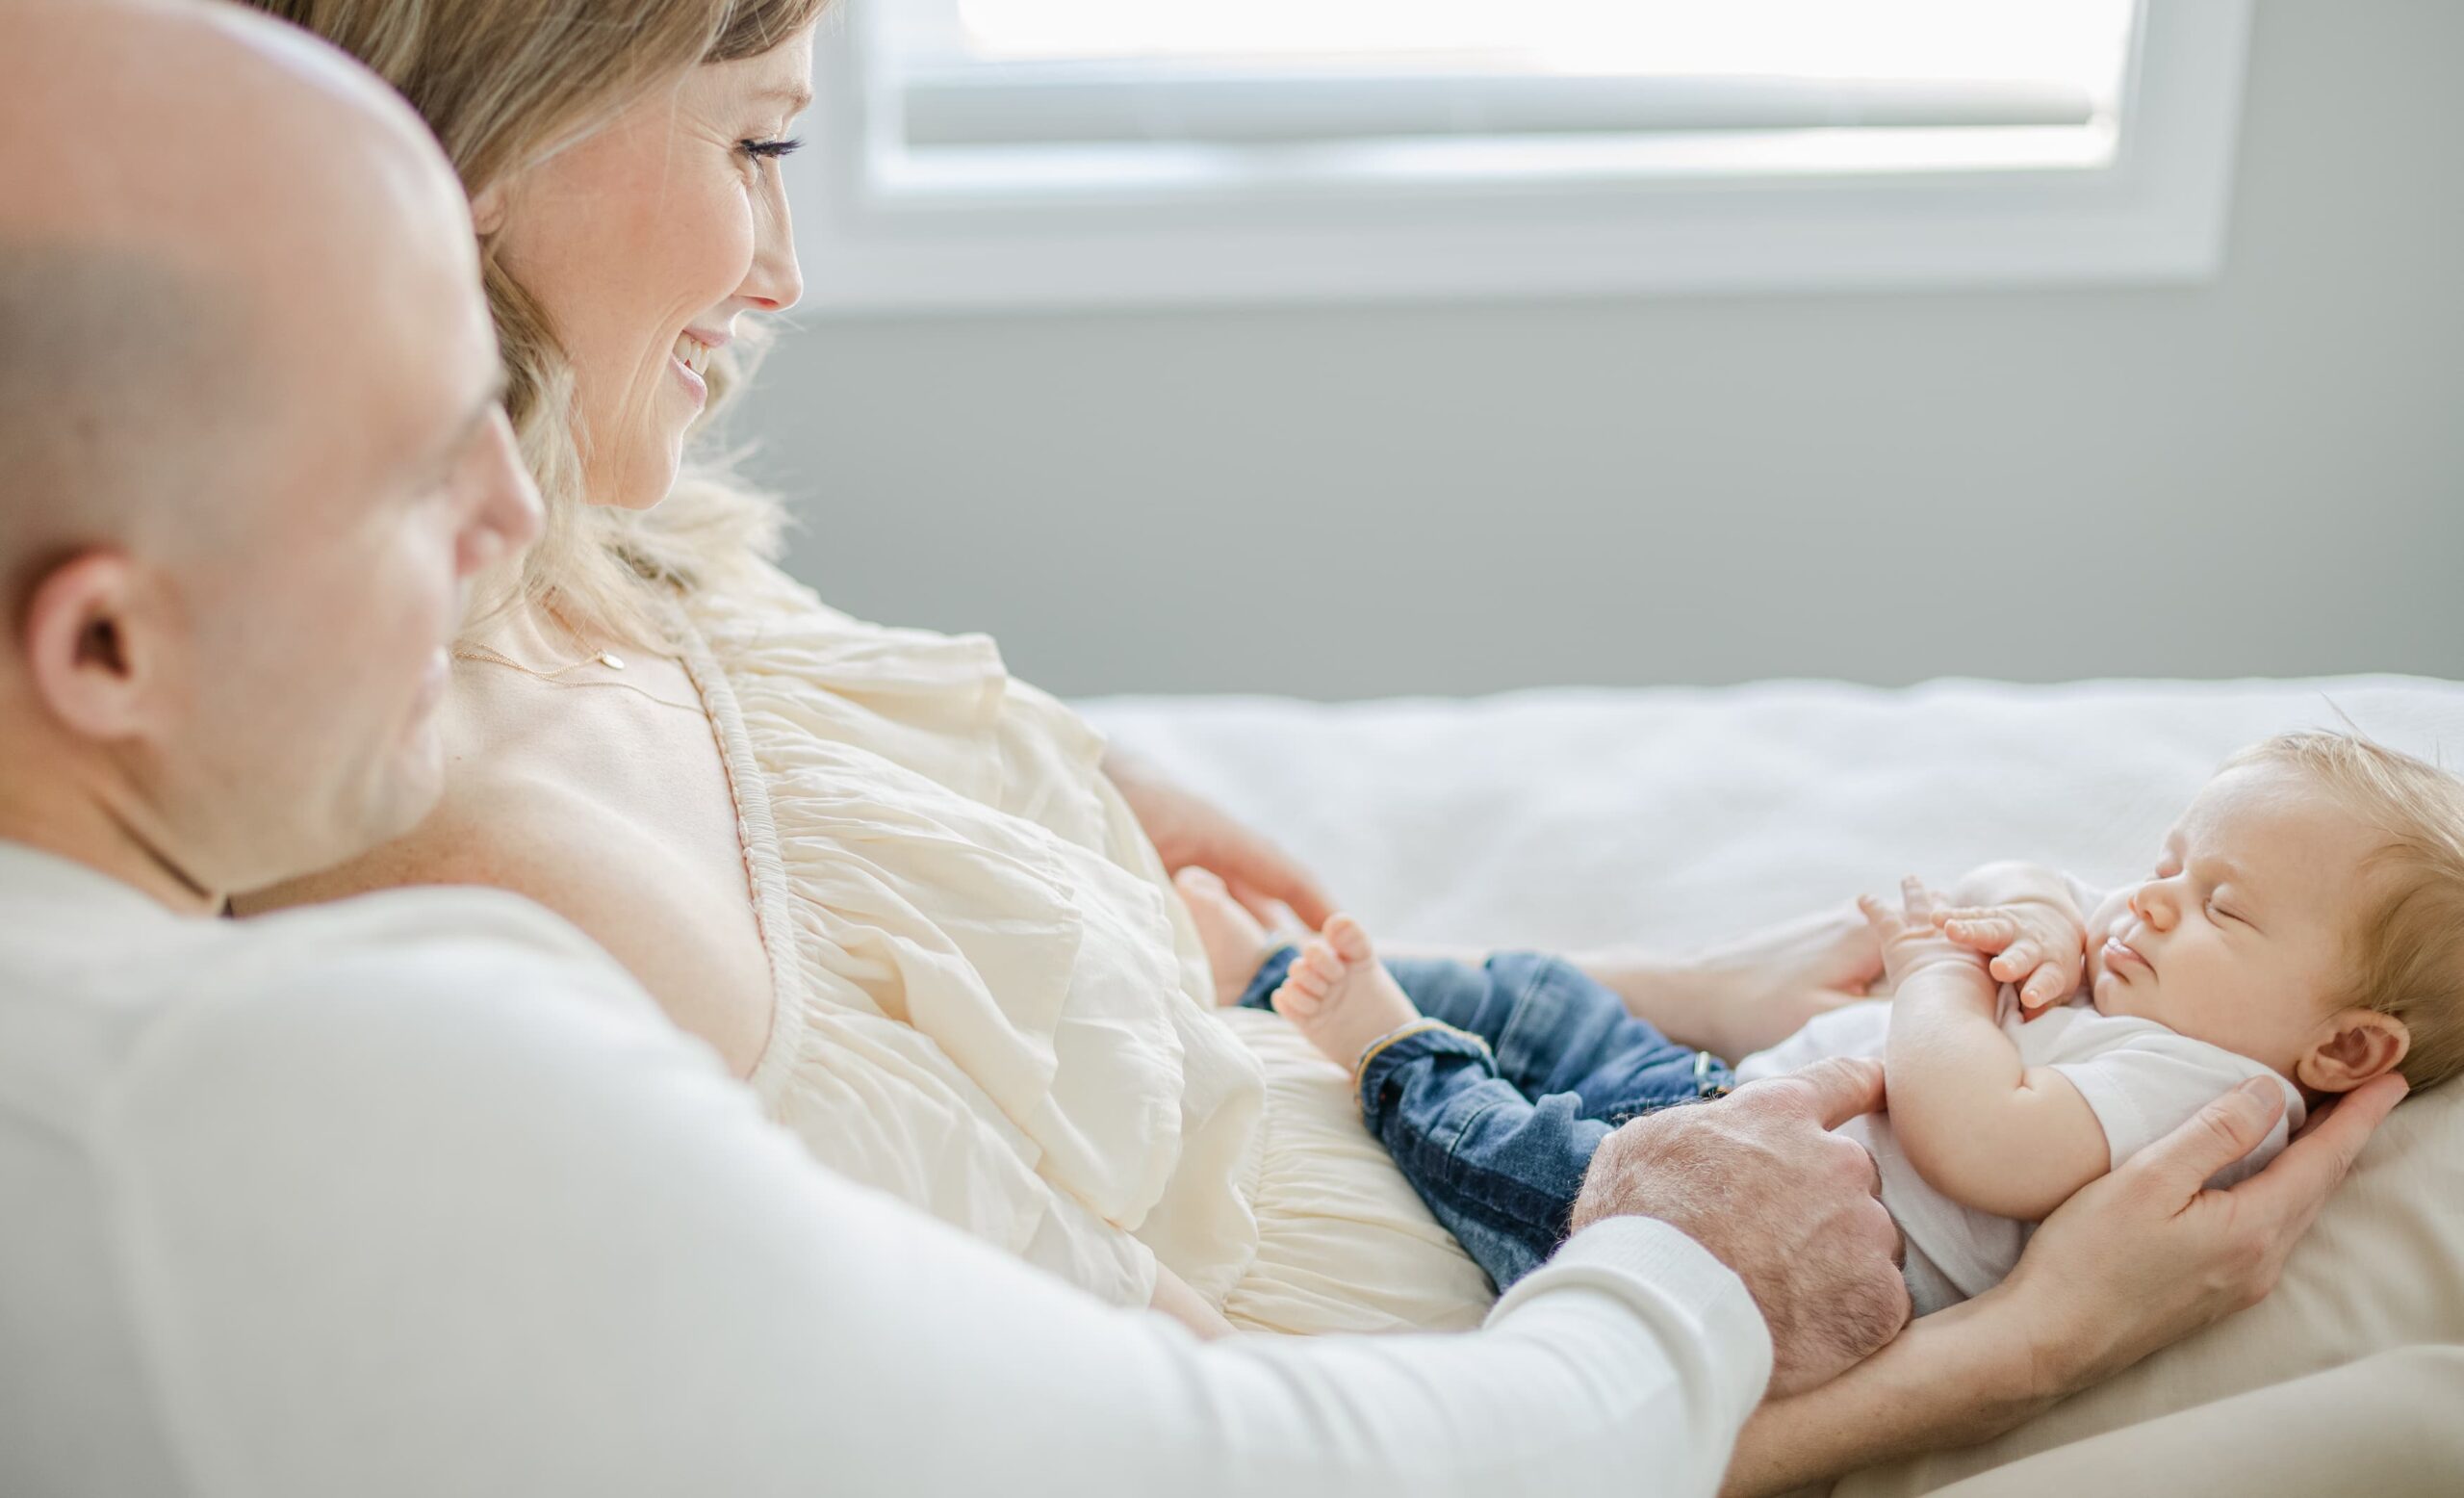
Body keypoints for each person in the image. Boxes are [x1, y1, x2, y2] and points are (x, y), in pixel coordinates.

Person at [213, 0, 2408, 1485]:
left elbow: (1172, 967)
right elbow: (1242, 1459)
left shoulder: (630, 548)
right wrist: (2013, 1361)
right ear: (458, 154)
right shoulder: (489, 879)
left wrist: (1693, 992)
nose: (783, 269)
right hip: (1557, 1366)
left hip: (1501, 1146)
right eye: (757, 138)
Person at [1183, 730, 2441, 1307]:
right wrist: (2039, 911)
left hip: (1719, 1245)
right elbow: (2018, 878)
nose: (2154, 903)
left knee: (1508, 1150)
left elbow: (1982, 1142)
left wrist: (1939, 978)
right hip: (1717, 1096)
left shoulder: (2213, 1097)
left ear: (2340, 1047)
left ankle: (1388, 1051)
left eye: (2219, 904)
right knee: (1558, 1000)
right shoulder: (2149, 967)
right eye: (2170, 860)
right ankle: (1268, 967)